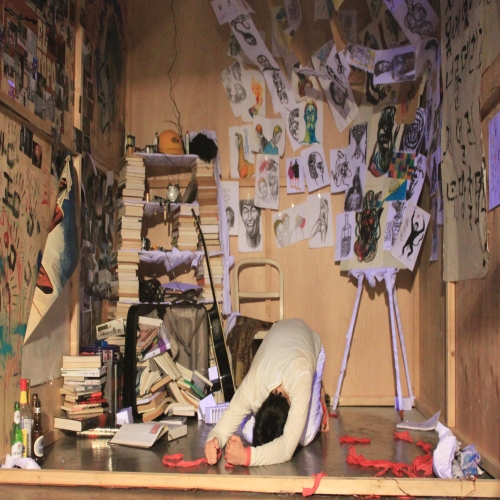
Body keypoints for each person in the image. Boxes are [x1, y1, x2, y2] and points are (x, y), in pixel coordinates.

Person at [205, 318, 328, 467]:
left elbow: (287, 448)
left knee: (304, 437)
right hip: (281, 334)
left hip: (310, 347)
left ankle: (318, 400)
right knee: (249, 434)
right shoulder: (252, 387)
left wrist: (245, 457)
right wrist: (214, 442)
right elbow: (223, 426)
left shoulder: (301, 376)